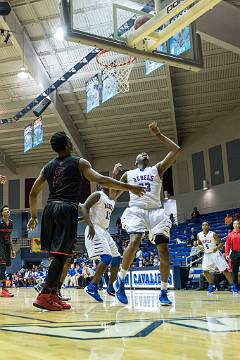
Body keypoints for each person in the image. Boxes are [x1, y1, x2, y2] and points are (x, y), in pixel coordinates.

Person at [27, 131, 145, 311]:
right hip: (66, 208)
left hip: (49, 209)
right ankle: (44, 295)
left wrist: (34, 216)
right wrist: (129, 187)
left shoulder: (47, 167)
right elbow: (101, 179)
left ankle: (52, 294)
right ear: (68, 145)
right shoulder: (80, 162)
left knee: (60, 257)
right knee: (61, 256)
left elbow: (33, 193)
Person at [111, 122, 181, 306]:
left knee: (163, 251)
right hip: (136, 211)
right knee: (134, 241)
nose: (144, 154)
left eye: (146, 154)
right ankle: (121, 281)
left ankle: (164, 292)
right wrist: (114, 176)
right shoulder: (129, 174)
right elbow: (112, 196)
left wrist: (158, 134)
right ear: (135, 162)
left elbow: (175, 149)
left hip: (156, 211)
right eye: (141, 154)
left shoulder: (156, 168)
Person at [81, 176, 122, 302]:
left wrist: (115, 175)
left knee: (116, 258)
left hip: (105, 231)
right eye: (105, 182)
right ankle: (91, 286)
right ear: (100, 185)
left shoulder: (111, 200)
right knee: (106, 258)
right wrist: (90, 225)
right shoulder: (97, 195)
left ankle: (110, 287)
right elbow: (84, 207)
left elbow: (116, 186)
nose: (109, 184)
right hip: (95, 229)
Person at [197, 221, 237, 294]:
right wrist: (200, 247)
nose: (204, 226)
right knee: (205, 271)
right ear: (201, 227)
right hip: (207, 255)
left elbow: (221, 243)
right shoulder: (199, 235)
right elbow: (199, 243)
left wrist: (217, 248)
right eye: (203, 225)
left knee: (225, 271)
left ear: (209, 226)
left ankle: (233, 286)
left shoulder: (213, 234)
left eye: (206, 225)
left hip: (215, 254)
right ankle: (212, 285)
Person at [0, 205, 16, 297]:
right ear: (2, 213)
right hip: (0, 245)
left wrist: (13, 250)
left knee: (4, 266)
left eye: (8, 209)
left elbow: (10, 237)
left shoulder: (11, 222)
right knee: (2, 265)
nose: (8, 211)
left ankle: (3, 289)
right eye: (5, 210)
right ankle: (4, 289)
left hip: (6, 246)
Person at [225, 220, 240, 289]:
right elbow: (227, 245)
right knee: (235, 271)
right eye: (235, 224)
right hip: (234, 253)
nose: (236, 225)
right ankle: (236, 286)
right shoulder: (230, 234)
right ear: (233, 225)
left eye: (237, 224)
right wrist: (227, 254)